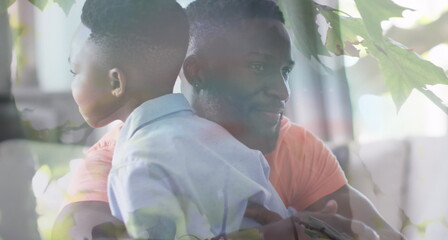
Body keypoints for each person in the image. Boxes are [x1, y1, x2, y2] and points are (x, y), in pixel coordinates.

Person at [53, 0, 399, 239]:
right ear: (197, 72)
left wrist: (311, 229)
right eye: (258, 66)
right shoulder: (121, 157)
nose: (283, 92)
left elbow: (381, 235)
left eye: (285, 71)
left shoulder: (293, 144)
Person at [61, 0, 298, 239]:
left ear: (116, 83)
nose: (73, 84)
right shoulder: (231, 146)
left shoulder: (137, 164)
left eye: (75, 71)